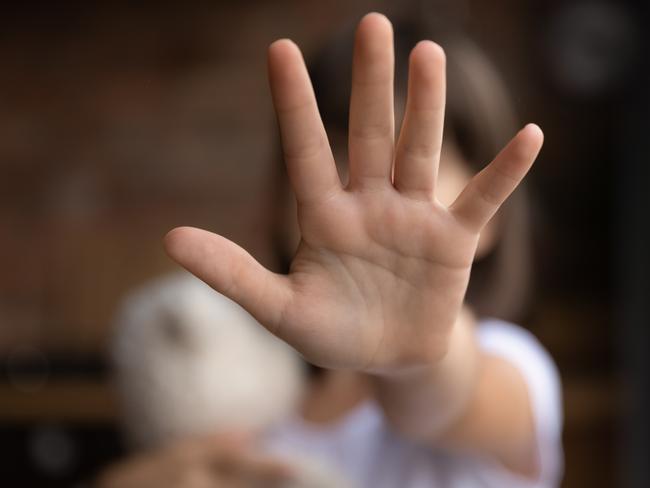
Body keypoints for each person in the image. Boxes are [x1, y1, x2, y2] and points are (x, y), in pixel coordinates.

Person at [100, 12, 563, 488]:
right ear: (275, 195)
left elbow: (448, 401)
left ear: (493, 218)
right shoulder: (249, 393)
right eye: (336, 149)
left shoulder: (513, 367)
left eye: (412, 162)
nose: (367, 193)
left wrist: (411, 356)